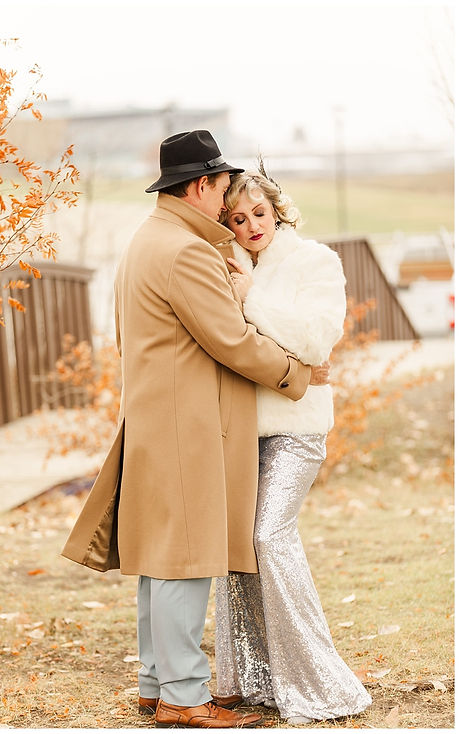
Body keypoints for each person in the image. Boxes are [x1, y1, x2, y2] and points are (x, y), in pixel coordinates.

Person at [62, 130, 329, 729]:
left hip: (159, 419)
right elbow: (231, 340)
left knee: (161, 562)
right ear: (201, 186)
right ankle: (184, 698)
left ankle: (158, 687)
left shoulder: (147, 240)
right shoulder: (185, 251)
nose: (228, 198)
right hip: (188, 426)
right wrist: (299, 372)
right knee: (184, 562)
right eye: (222, 187)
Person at [213, 164, 372, 724]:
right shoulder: (226, 263)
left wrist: (251, 299)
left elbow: (315, 338)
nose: (251, 225)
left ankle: (321, 682)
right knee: (238, 549)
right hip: (238, 430)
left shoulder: (315, 262)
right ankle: (256, 679)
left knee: (268, 536)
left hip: (296, 430)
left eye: (258, 212)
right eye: (237, 218)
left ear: (277, 210)